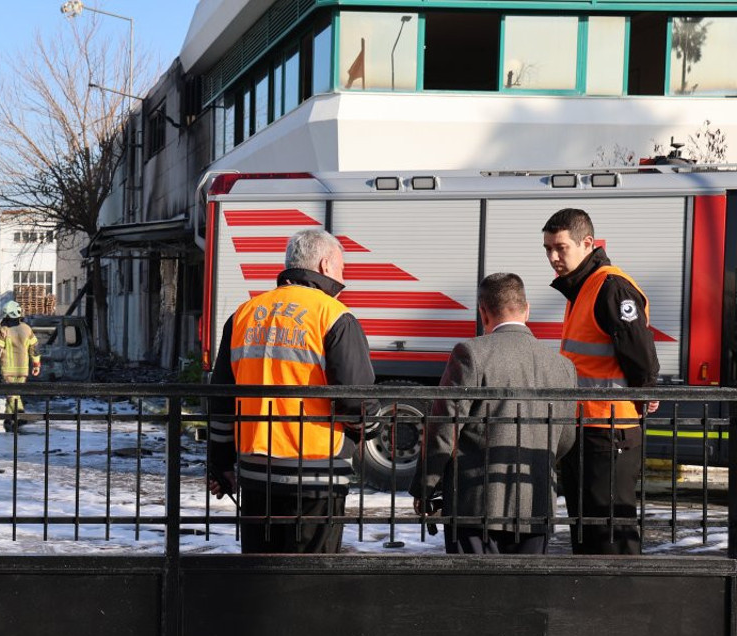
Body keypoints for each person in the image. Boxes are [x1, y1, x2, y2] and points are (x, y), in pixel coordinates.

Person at [207, 228, 375, 554]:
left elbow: (221, 401)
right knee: (310, 576)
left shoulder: (243, 315)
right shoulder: (334, 316)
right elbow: (355, 400)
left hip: (256, 475)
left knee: (260, 573)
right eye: (342, 269)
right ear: (325, 265)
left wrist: (221, 464)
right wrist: (371, 427)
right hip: (316, 474)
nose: (344, 279)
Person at [411, 273, 577, 554]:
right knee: (526, 582)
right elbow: (565, 438)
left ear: (483, 312)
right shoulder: (562, 366)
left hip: (475, 503)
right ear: (527, 309)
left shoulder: (471, 354)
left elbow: (444, 428)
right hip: (535, 502)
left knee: (475, 581)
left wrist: (425, 486)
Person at [544, 208, 660, 555]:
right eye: (548, 248)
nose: (553, 257)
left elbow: (641, 356)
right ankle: (595, 590)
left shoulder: (610, 287)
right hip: (590, 427)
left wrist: (646, 393)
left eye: (561, 248)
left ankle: (620, 592)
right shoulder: (584, 287)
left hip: (609, 430)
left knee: (611, 537)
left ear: (587, 243)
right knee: (591, 535)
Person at [0, 300, 40, 431]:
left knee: (12, 394)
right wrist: (36, 364)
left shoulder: (4, 330)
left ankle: (21, 416)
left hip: (8, 369)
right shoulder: (27, 329)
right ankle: (8, 420)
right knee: (15, 393)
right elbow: (34, 348)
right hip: (23, 369)